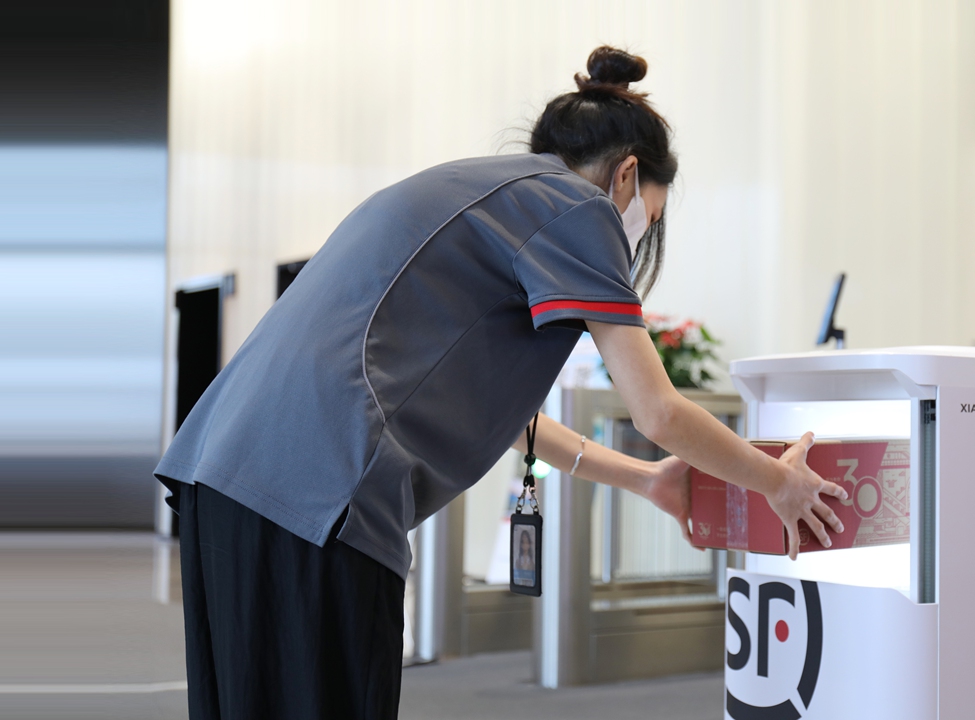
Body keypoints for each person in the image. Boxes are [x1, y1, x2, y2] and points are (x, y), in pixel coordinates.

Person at [155, 45, 847, 720]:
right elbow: (658, 410)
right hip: (321, 489)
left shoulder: (483, 189)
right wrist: (777, 482)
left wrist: (646, 480)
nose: (637, 235)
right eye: (650, 219)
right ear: (628, 176)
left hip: (225, 472)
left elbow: (512, 420)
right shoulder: (582, 208)